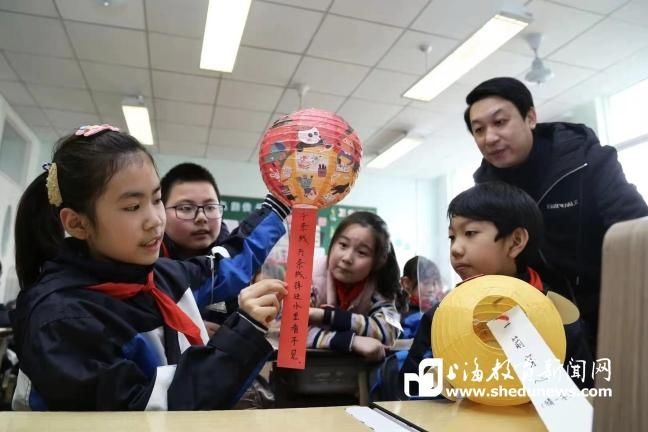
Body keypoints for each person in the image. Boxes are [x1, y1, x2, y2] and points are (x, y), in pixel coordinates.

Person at [11, 125, 287, 411]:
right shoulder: (62, 320)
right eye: (132, 207)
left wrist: (280, 204)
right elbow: (142, 411)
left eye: (156, 200)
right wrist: (243, 334)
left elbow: (226, 266)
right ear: (77, 223)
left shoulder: (160, 276)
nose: (155, 220)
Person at [464, 77, 648, 354]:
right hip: (545, 324)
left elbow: (634, 231)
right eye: (479, 130)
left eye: (500, 122)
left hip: (617, 310)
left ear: (530, 117)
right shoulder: (487, 193)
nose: (489, 137)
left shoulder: (587, 161)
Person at [400, 182, 593, 399]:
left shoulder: (558, 314)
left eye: (470, 233)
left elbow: (581, 393)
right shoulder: (442, 314)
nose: (455, 249)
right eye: (452, 237)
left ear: (516, 242)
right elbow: (413, 390)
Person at [159, 162, 290, 332]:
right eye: (186, 208)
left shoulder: (249, 269)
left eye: (210, 207)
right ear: (160, 212)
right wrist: (185, 332)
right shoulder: (148, 267)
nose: (201, 217)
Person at [307, 212, 406, 362]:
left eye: (362, 252)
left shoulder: (379, 287)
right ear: (332, 244)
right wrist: (351, 341)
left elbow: (389, 331)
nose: (347, 258)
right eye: (343, 245)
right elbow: (289, 332)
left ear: (377, 262)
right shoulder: (309, 276)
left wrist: (325, 316)